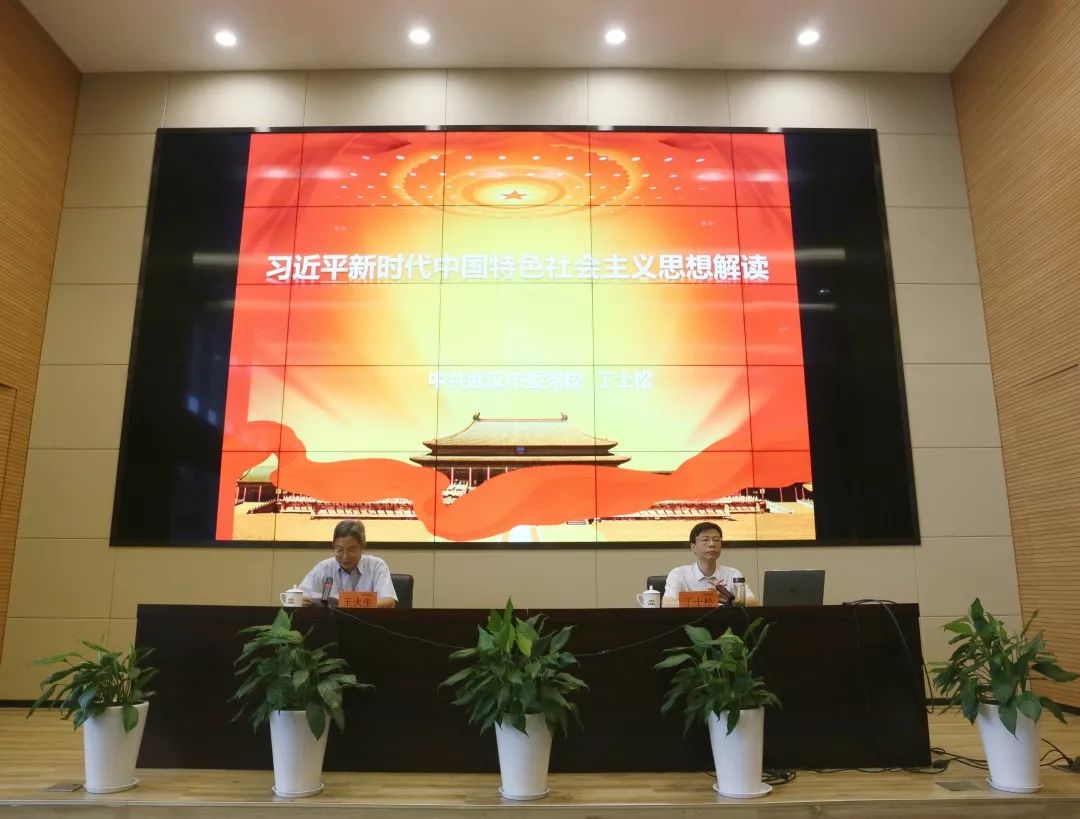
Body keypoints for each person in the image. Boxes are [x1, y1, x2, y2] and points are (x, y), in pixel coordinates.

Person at [298, 519, 397, 608]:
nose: (345, 556)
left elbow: (389, 602)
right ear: (333, 546)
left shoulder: (376, 566)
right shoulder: (324, 568)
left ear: (363, 547)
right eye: (339, 550)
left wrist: (353, 604)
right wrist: (303, 601)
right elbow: (301, 596)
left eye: (351, 550)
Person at [661, 521, 759, 607]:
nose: (712, 544)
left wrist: (729, 599)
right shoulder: (679, 574)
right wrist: (710, 599)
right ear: (693, 547)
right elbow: (668, 604)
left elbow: (753, 602)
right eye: (705, 540)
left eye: (716, 540)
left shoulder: (732, 574)